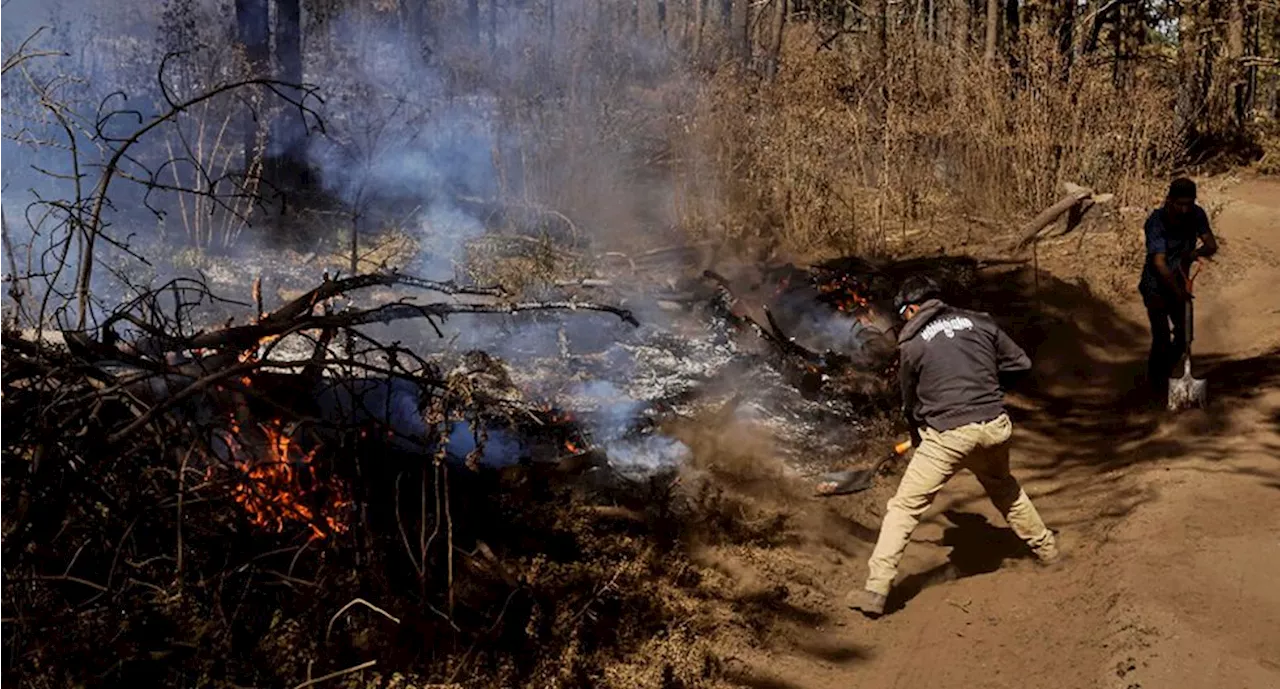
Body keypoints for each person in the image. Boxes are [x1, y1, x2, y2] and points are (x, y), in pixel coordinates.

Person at [846, 275, 1059, 618]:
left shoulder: (912, 343)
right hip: (994, 427)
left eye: (903, 314)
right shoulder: (981, 322)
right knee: (1005, 489)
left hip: (947, 435)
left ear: (912, 308)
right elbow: (1021, 364)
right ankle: (1048, 551)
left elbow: (908, 402)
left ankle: (875, 590)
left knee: (904, 509)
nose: (903, 320)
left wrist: (918, 432)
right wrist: (986, 387)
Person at [1140, 177, 1218, 399]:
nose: (1184, 209)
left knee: (1185, 336)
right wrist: (1179, 292)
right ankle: (1154, 384)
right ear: (1169, 200)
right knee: (1162, 336)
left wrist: (1195, 253)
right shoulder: (1156, 222)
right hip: (1155, 284)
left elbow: (1211, 245)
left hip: (1181, 281)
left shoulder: (1197, 214)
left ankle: (1165, 376)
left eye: (1189, 204)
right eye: (1179, 204)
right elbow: (1159, 263)